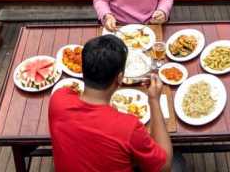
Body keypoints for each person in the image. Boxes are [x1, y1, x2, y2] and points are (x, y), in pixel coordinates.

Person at [49, 35, 173, 172]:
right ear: (120, 78)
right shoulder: (129, 127)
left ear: (82, 69)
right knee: (178, 162)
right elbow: (165, 166)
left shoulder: (58, 99)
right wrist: (154, 100)